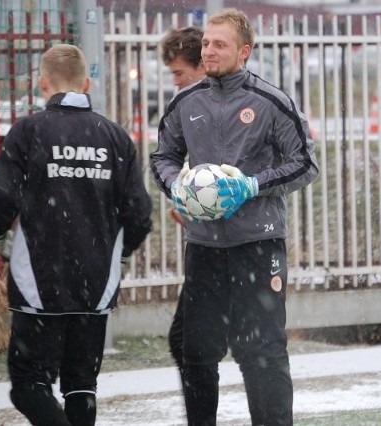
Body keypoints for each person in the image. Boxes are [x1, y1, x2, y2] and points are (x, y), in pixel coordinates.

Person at [150, 7, 318, 426]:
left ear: (244, 51)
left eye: (219, 44)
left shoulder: (270, 101)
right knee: (198, 354)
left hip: (258, 245)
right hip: (204, 247)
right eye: (206, 42)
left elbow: (305, 164)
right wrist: (178, 187)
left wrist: (252, 185)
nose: (208, 50)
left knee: (262, 353)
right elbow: (162, 158)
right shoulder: (185, 101)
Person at [0, 44, 153, 426]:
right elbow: (139, 212)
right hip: (95, 280)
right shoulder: (115, 137)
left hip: (39, 279)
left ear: (42, 83)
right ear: (87, 83)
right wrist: (121, 255)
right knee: (81, 387)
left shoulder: (29, 130)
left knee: (28, 384)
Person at [158, 25, 207, 384]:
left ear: (201, 65)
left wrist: (203, 208)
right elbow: (164, 159)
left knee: (189, 342)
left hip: (229, 246)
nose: (175, 82)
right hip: (206, 242)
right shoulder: (189, 110)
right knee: (189, 343)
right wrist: (187, 199)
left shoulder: (212, 109)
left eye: (179, 73)